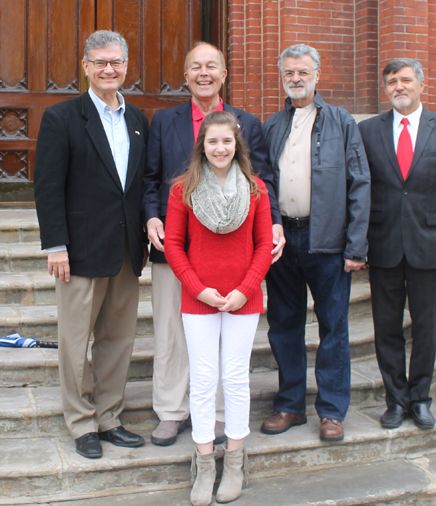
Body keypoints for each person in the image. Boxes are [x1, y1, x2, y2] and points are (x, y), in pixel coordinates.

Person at [142, 42, 283, 447]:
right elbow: (152, 179)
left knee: (225, 343)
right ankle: (171, 411)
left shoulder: (247, 124)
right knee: (171, 331)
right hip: (176, 248)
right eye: (195, 67)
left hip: (232, 253)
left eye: (212, 66)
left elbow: (264, 181)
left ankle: (221, 416)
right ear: (185, 76)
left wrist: (272, 224)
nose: (203, 73)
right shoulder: (164, 121)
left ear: (224, 74)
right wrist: (152, 216)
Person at [34, 30, 148, 459]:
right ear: (85, 67)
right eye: (100, 62)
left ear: (125, 66)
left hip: (125, 249)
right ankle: (81, 422)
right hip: (78, 251)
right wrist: (56, 246)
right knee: (75, 339)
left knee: (117, 338)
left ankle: (109, 417)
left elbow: (135, 188)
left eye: (116, 62)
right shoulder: (62, 117)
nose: (108, 69)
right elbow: (47, 187)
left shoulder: (138, 120)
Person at [260, 44, 371, 441]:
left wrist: (357, 247)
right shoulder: (272, 125)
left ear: (317, 75)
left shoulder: (341, 122)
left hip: (329, 242)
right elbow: (263, 186)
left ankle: (332, 410)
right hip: (282, 241)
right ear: (282, 77)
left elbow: (360, 185)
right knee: (284, 326)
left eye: (303, 72)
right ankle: (290, 404)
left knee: (333, 328)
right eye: (289, 72)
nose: (296, 78)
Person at [164, 110, 273, 506]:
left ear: (236, 145)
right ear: (202, 146)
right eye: (213, 141)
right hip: (200, 300)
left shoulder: (257, 189)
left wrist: (246, 290)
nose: (220, 148)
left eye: (227, 141)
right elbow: (174, 246)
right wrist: (198, 289)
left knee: (236, 378)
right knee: (205, 379)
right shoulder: (183, 190)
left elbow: (264, 246)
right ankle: (205, 462)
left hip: (243, 299)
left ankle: (235, 462)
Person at [358, 58, 436, 430]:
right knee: (386, 327)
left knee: (425, 327)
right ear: (386, 89)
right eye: (391, 82)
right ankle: (396, 400)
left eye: (406, 80)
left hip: (431, 244)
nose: (399, 87)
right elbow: (360, 191)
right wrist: (356, 245)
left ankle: (421, 399)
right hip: (384, 242)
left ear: (422, 84)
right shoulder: (369, 131)